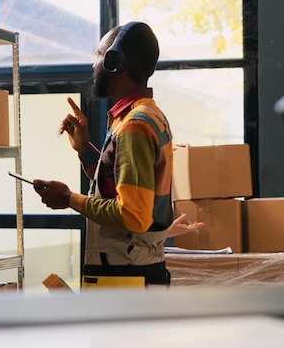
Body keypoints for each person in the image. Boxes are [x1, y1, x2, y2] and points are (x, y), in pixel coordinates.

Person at [33, 21, 186, 289]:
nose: (94, 65)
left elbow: (132, 215)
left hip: (127, 280)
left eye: (99, 55)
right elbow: (117, 188)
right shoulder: (143, 115)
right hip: (130, 275)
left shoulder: (134, 125)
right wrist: (85, 150)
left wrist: (69, 199)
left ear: (115, 61)